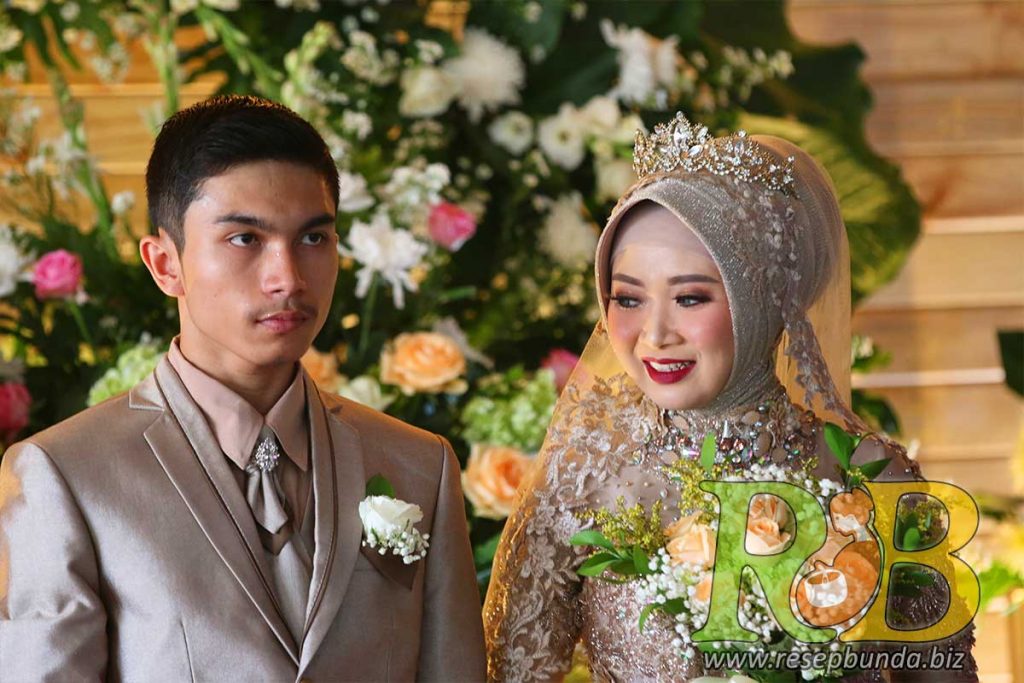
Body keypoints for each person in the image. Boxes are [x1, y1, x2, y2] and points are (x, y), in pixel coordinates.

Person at [0, 95, 485, 681]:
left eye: (313, 238)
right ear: (165, 264)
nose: (288, 278)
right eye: (245, 239)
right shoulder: (66, 475)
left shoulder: (419, 465)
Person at [483, 113, 978, 681]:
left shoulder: (872, 479)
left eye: (690, 298)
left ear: (763, 298)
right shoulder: (582, 478)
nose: (653, 335)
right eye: (628, 299)